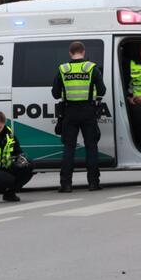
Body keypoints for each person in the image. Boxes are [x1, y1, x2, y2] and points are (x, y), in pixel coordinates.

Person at [52, 41, 106, 192]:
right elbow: (102, 91)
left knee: (69, 148)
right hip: (88, 112)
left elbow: (55, 94)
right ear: (83, 52)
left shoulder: (63, 69)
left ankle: (66, 184)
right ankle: (93, 183)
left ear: (70, 53)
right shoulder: (91, 68)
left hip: (69, 112)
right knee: (91, 147)